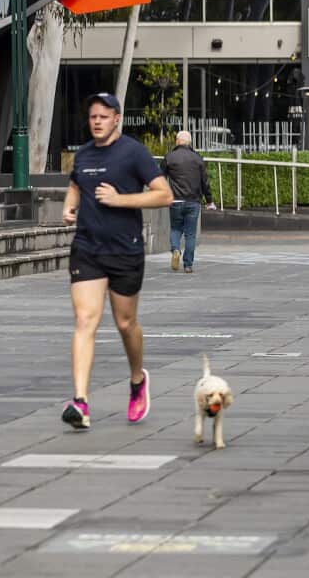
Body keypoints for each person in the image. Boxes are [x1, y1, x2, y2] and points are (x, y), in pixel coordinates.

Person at [61, 92, 175, 430]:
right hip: (87, 248)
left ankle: (138, 379)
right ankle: (80, 402)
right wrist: (69, 207)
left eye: (103, 115)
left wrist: (119, 199)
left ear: (116, 119)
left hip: (124, 250)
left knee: (126, 324)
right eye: (93, 115)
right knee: (85, 320)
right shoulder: (81, 156)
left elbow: (164, 195)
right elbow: (75, 188)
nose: (96, 121)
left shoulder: (133, 153)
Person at [161, 131, 216, 274]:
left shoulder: (170, 157)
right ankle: (188, 265)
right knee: (190, 235)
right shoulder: (198, 159)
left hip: (176, 200)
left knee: (175, 229)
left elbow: (160, 178)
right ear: (190, 142)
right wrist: (209, 201)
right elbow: (205, 182)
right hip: (193, 201)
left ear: (178, 141)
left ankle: (175, 250)